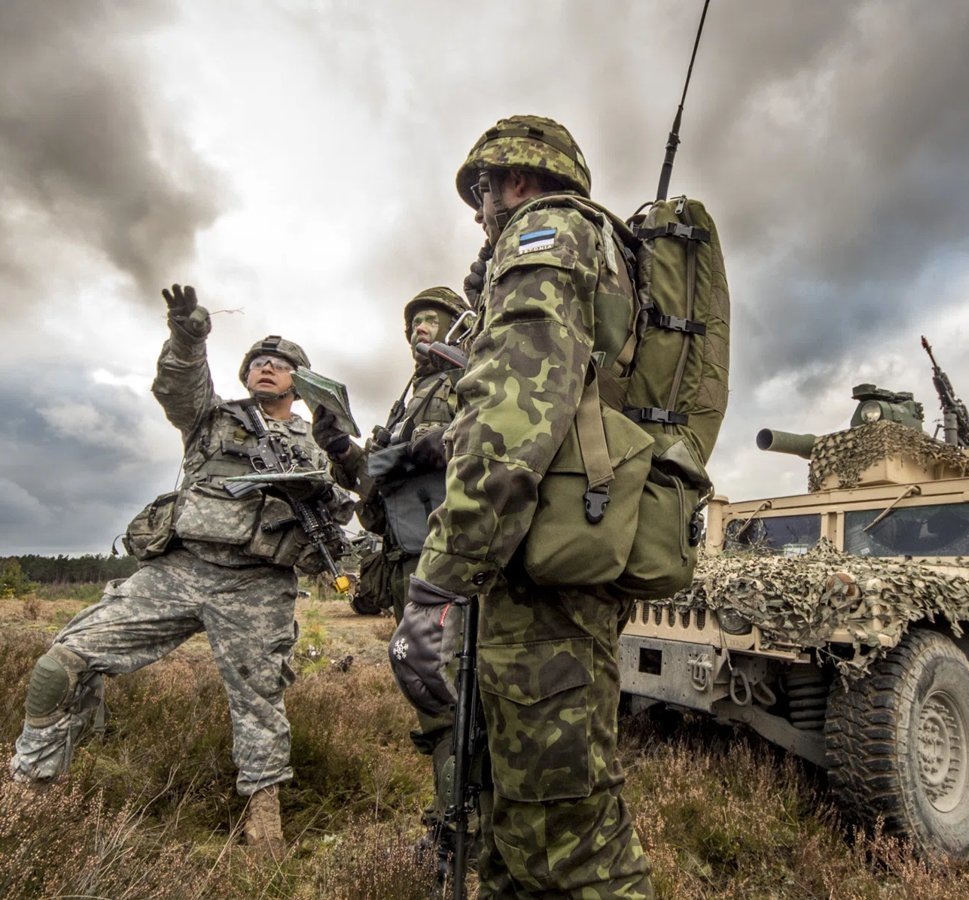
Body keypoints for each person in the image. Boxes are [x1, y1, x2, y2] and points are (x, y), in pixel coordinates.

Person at [392, 115, 654, 897]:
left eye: (481, 196)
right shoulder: (597, 251)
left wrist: (439, 585)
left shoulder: (547, 232)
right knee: (516, 831)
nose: (480, 218)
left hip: (544, 587)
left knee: (570, 850)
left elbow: (512, 419)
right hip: (559, 558)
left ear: (510, 180)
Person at [9, 284, 352, 858]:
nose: (267, 367)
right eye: (259, 361)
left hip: (257, 582)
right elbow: (178, 385)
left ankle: (264, 827)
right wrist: (187, 339)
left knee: (259, 702)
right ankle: (31, 792)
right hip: (179, 568)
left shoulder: (318, 445)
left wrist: (322, 494)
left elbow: (341, 511)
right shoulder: (210, 418)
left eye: (281, 363)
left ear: (300, 382)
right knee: (60, 663)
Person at [311, 287, 471, 862]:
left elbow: (470, 446)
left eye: (432, 319)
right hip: (410, 563)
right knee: (433, 698)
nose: (420, 329)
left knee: (458, 700)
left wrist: (398, 456)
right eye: (413, 324)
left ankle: (460, 831)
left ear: (457, 326)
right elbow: (375, 494)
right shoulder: (408, 402)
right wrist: (341, 449)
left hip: (456, 562)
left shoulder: (468, 377)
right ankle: (455, 821)